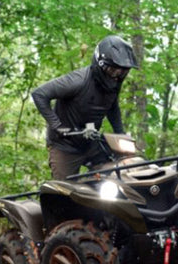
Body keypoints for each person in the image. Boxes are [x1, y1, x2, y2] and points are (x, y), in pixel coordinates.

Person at [32, 35, 139, 180]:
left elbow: (112, 107)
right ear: (101, 64)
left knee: (123, 174)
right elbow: (39, 94)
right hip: (65, 146)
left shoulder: (114, 84)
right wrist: (57, 125)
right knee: (64, 194)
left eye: (123, 71)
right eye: (113, 70)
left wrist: (121, 133)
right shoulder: (78, 81)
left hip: (91, 142)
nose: (117, 76)